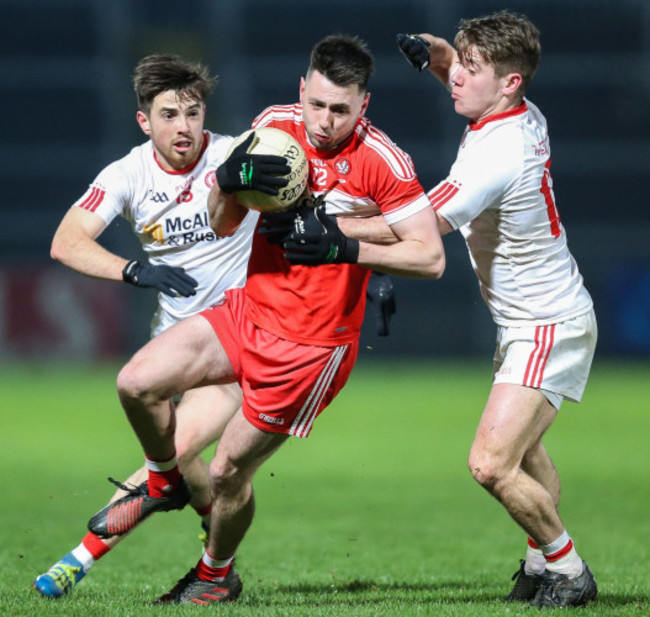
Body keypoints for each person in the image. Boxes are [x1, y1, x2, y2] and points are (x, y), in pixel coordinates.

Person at [87, 34, 445, 605]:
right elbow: (224, 222)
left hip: (310, 350)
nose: (325, 122)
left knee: (228, 473)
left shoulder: (383, 162)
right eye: (317, 104)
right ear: (302, 90)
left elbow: (429, 256)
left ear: (364, 106)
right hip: (249, 310)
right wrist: (227, 185)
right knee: (136, 381)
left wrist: (343, 249)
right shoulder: (275, 125)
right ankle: (162, 478)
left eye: (341, 110)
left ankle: (215, 576)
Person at [32, 53, 289, 598]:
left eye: (193, 112)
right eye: (169, 114)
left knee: (175, 453)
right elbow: (66, 241)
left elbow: (304, 202)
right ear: (144, 121)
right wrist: (132, 269)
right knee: (178, 460)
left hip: (237, 346)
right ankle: (212, 543)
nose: (184, 126)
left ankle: (75, 563)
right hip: (176, 346)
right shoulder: (127, 174)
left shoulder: (234, 157)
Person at [397, 10, 598, 609]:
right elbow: (462, 74)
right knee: (526, 455)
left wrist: (331, 232)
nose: (457, 76)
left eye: (472, 68)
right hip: (531, 320)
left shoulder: (498, 151)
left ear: (508, 82)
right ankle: (541, 567)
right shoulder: (513, 110)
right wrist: (439, 54)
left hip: (547, 324)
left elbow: (422, 229)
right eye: (458, 64)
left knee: (490, 463)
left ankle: (569, 570)